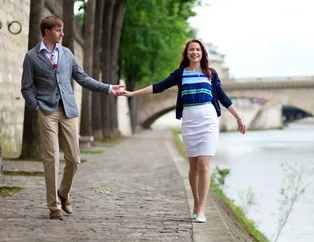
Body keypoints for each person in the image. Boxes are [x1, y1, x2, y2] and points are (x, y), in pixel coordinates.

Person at [123, 39, 246, 223]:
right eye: (191, 50)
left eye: (198, 50)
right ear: (187, 53)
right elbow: (158, 86)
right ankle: (196, 203)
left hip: (208, 120)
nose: (194, 52)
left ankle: (202, 208)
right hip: (190, 120)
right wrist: (132, 94)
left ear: (203, 53)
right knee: (194, 166)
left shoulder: (211, 74)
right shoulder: (180, 74)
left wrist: (238, 117)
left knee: (204, 164)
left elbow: (223, 97)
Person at [21, 15, 125, 220]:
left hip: (68, 110)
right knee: (51, 158)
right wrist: (37, 107)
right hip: (47, 112)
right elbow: (26, 87)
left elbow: (83, 78)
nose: (62, 33)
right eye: (59, 30)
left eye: (62, 29)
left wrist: (109, 88)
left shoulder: (67, 54)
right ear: (47, 32)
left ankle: (64, 193)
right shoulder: (32, 57)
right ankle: (53, 206)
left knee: (74, 159)